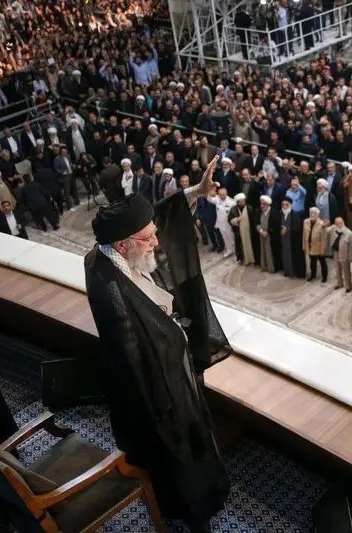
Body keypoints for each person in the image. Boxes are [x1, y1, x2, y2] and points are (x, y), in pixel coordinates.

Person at [84, 155, 229, 531]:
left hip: (170, 375)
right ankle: (195, 512)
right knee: (180, 458)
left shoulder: (108, 250)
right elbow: (136, 366)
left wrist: (194, 192)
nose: (157, 242)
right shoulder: (111, 294)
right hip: (160, 398)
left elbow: (155, 216)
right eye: (149, 238)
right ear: (123, 246)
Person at [326, 217, 352, 292]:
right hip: (336, 252)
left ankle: (348, 286)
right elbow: (326, 231)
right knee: (337, 269)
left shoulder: (349, 233)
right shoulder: (333, 228)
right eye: (337, 224)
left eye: (340, 223)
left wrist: (350, 256)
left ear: (343, 223)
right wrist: (326, 225)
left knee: (346, 271)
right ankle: (339, 283)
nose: (339, 225)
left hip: (344, 253)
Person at [280, 197, 306, 278]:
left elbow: (297, 228)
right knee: (285, 255)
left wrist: (287, 229)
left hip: (293, 240)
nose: (284, 206)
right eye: (283, 205)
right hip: (284, 240)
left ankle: (294, 272)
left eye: (286, 205)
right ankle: (287, 271)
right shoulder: (280, 214)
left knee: (294, 256)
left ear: (290, 205)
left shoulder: (295, 215)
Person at [229, 193, 257, 265]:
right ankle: (244, 259)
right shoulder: (233, 209)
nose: (242, 203)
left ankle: (252, 259)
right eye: (240, 201)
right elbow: (230, 219)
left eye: (243, 201)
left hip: (249, 231)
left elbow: (254, 219)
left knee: (251, 245)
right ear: (237, 202)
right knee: (241, 246)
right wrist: (236, 220)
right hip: (239, 232)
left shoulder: (249, 208)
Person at [208, 186, 236, 257]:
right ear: (218, 194)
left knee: (231, 237)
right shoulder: (217, 199)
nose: (222, 196)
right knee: (225, 237)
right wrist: (210, 193)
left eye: (224, 195)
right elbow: (208, 198)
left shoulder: (232, 202)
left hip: (228, 224)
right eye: (220, 195)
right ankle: (229, 250)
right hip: (220, 223)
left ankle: (236, 252)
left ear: (226, 193)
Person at [256, 195, 282, 273]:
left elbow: (276, 225)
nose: (262, 205)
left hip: (271, 236)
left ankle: (272, 268)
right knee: (263, 251)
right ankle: (264, 266)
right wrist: (261, 231)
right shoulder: (259, 211)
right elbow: (256, 222)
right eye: (261, 204)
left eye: (264, 204)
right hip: (261, 235)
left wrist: (267, 232)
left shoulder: (274, 212)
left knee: (270, 252)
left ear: (268, 204)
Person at [303, 207, 328, 282]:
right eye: (311, 212)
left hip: (318, 247)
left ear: (317, 214)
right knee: (312, 262)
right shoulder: (305, 222)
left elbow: (324, 239)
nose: (312, 214)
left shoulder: (321, 224)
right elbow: (304, 235)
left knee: (322, 262)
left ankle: (324, 276)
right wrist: (304, 246)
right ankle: (313, 274)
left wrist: (322, 250)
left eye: (314, 213)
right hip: (310, 246)